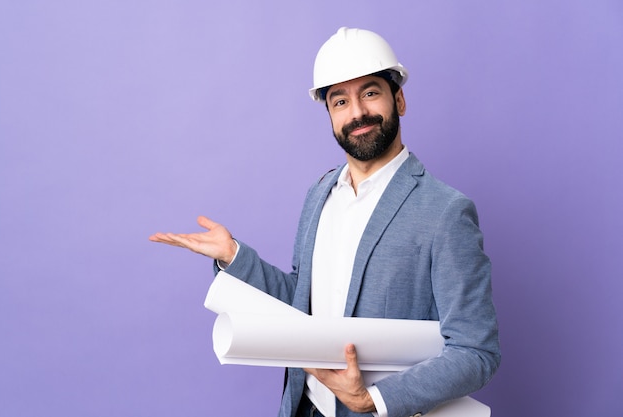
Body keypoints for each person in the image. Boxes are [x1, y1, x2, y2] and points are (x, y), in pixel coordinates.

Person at [150, 27, 500, 417]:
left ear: (398, 99)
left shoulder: (445, 211)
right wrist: (234, 256)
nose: (357, 113)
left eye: (370, 93)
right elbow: (304, 304)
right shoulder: (319, 195)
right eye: (340, 101)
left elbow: (475, 350)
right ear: (330, 114)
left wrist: (374, 400)